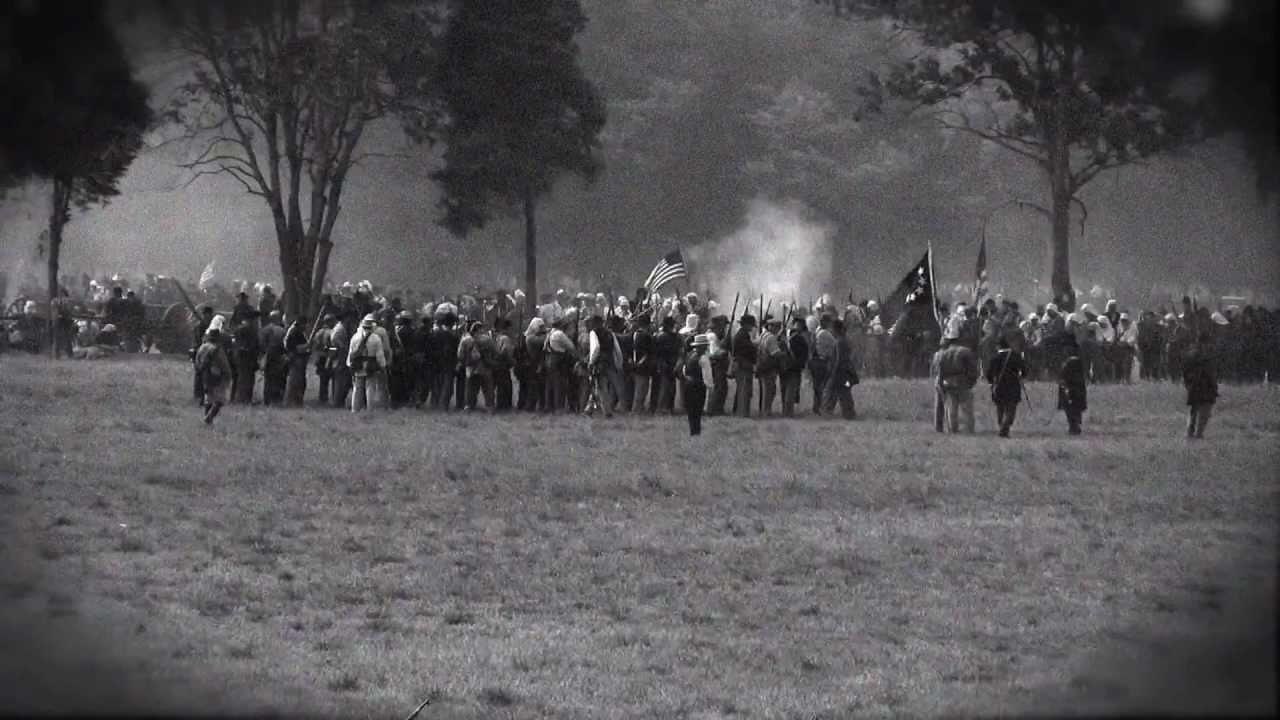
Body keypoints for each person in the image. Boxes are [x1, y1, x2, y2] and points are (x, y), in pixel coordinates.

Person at [932, 319, 979, 434]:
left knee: (951, 408)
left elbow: (940, 370)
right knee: (967, 408)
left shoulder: (944, 353)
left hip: (948, 382)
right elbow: (973, 370)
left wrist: (942, 382)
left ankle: (953, 429)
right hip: (963, 382)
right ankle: (969, 429)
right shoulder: (966, 351)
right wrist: (972, 382)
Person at [986, 328, 1028, 438]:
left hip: (999, 386)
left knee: (1000, 408)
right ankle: (1005, 428)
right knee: (1011, 410)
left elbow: (989, 374)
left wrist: (991, 383)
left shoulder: (994, 358)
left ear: (998, 346)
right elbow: (1024, 372)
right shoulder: (1016, 356)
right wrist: (1020, 376)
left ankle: (1002, 427)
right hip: (1013, 386)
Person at [1181, 331, 1219, 439]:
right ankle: (1198, 433)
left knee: (1195, 410)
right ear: (1205, 342)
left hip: (1196, 385)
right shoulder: (1203, 354)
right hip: (1203, 385)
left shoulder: (1191, 353)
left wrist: (1187, 383)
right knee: (1204, 411)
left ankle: (1191, 433)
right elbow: (1209, 371)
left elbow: (1184, 370)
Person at [586, 314, 625, 417]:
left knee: (600, 386)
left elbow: (595, 348)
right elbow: (617, 350)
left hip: (599, 363)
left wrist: (591, 362)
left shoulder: (593, 332)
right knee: (617, 386)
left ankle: (607, 411)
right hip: (610, 362)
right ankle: (589, 408)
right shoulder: (610, 333)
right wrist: (619, 363)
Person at [348, 314, 387, 412]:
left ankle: (355, 409)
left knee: (357, 388)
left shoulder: (355, 337)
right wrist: (382, 366)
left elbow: (351, 353)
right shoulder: (376, 338)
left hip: (358, 364)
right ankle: (370, 409)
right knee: (370, 388)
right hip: (371, 364)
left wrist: (350, 365)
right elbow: (380, 355)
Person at [195, 326, 232, 425]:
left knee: (209, 398)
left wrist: (199, 370)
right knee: (220, 400)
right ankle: (209, 417)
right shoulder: (217, 349)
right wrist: (228, 374)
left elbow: (197, 360)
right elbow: (223, 364)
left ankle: (207, 419)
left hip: (204, 375)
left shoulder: (202, 347)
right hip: (217, 376)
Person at [822, 319, 858, 419]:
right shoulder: (843, 340)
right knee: (844, 393)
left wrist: (833, 373)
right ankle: (848, 413)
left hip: (839, 373)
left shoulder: (839, 342)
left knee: (831, 392)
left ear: (835, 329)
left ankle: (828, 413)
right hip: (844, 373)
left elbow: (839, 359)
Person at [682, 333, 713, 435]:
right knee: (697, 411)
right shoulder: (703, 358)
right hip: (699, 386)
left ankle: (693, 431)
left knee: (691, 411)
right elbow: (707, 376)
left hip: (688, 384)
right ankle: (696, 432)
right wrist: (710, 387)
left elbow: (684, 370)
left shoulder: (690, 355)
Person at [1057, 334, 1088, 435]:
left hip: (1072, 386)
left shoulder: (1074, 360)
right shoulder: (1072, 358)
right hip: (1073, 386)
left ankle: (1074, 425)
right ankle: (1073, 425)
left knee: (1072, 407)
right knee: (1071, 407)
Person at [781, 315, 809, 418]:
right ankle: (788, 412)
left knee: (786, 389)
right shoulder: (799, 339)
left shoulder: (786, 336)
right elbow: (804, 354)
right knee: (791, 390)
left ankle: (786, 411)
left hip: (785, 366)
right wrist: (800, 364)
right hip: (793, 367)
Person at [258, 310, 287, 406]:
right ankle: (276, 399)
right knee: (278, 378)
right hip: (279, 356)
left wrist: (263, 355)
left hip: (268, 356)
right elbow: (285, 345)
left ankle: (267, 399)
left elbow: (261, 344)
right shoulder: (282, 330)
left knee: (268, 378)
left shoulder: (264, 329)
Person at [731, 314, 758, 417]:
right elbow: (749, 349)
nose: (752, 327)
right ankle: (743, 412)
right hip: (743, 364)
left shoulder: (742, 334)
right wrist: (755, 345)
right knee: (744, 389)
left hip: (742, 364)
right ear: (746, 325)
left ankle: (739, 411)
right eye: (751, 325)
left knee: (742, 389)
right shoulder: (742, 335)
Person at [231, 313, 260, 404]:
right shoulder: (248, 330)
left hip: (242, 358)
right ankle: (244, 399)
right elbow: (251, 345)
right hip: (246, 358)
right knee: (246, 379)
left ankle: (242, 398)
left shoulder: (239, 329)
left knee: (244, 378)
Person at [809, 313, 835, 414]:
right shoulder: (824, 333)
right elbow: (834, 345)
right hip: (822, 361)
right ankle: (821, 408)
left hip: (815, 361)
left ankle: (816, 407)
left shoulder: (816, 331)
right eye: (828, 321)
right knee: (822, 387)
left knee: (817, 387)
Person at [631, 312, 656, 413]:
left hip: (636, 363)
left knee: (641, 388)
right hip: (642, 365)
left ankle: (638, 408)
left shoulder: (635, 333)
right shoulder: (646, 336)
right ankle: (637, 410)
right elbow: (648, 352)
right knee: (641, 389)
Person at [283, 314, 310, 406]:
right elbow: (295, 347)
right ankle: (293, 402)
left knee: (300, 381)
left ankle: (298, 401)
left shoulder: (299, 331)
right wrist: (306, 346)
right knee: (296, 382)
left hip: (299, 359)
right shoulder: (294, 332)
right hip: (295, 359)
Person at [329, 314, 354, 408]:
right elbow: (337, 343)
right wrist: (344, 349)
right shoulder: (339, 329)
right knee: (340, 381)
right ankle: (338, 401)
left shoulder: (340, 328)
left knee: (342, 380)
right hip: (340, 357)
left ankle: (338, 400)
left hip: (341, 357)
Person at [311, 314, 337, 405]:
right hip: (328, 357)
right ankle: (334, 397)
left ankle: (323, 398)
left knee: (323, 380)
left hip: (320, 357)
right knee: (334, 379)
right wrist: (333, 352)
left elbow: (315, 346)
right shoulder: (332, 332)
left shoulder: (318, 332)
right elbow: (332, 347)